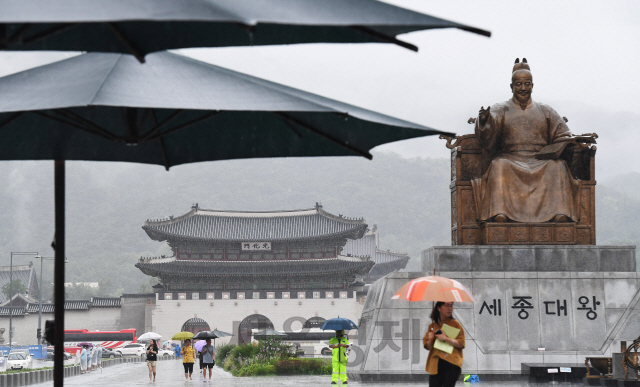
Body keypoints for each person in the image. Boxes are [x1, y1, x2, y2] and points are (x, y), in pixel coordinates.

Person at [472, 58, 581, 223]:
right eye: (519, 84)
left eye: (527, 84)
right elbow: (487, 135)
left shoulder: (546, 110)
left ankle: (559, 213)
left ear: (532, 85)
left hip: (540, 158)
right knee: (499, 165)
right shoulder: (500, 108)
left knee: (558, 166)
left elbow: (563, 133)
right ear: (511, 87)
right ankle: (500, 213)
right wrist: (485, 121)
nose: (523, 88)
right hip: (510, 157)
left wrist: (569, 142)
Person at [423, 302, 465, 387]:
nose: (450, 308)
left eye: (451, 305)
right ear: (439, 308)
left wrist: (445, 338)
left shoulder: (455, 324)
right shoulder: (432, 325)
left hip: (451, 363)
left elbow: (461, 343)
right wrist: (431, 339)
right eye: (447, 305)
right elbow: (427, 346)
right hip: (435, 363)